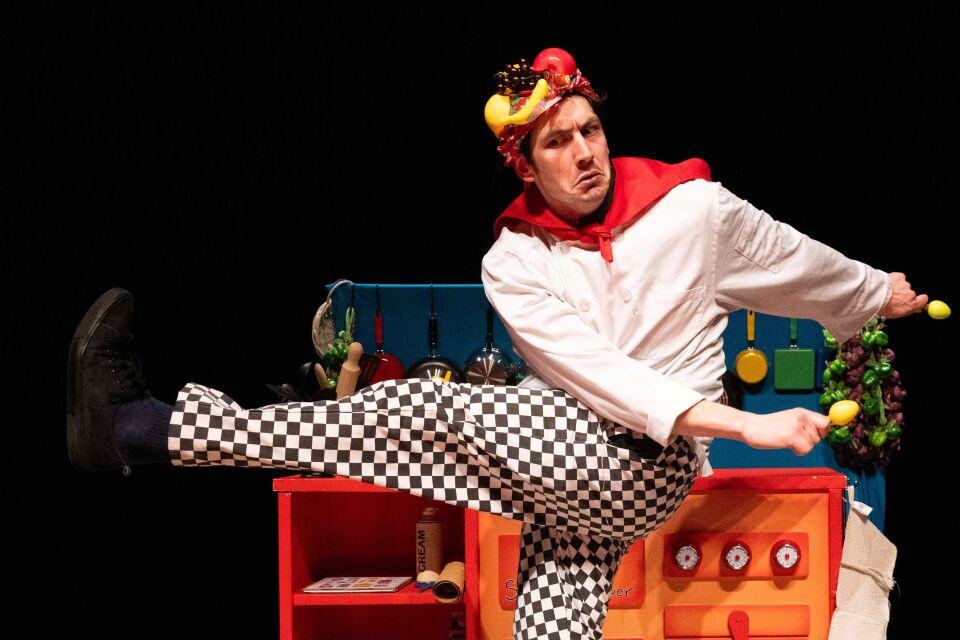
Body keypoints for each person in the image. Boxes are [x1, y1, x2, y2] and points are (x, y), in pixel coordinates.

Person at [66, 48, 927, 640]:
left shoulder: (695, 213)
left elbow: (794, 261)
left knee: (423, 409)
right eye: (558, 142)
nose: (583, 152)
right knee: (552, 619)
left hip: (647, 467)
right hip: (578, 462)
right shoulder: (513, 263)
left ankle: (144, 428)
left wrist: (872, 294)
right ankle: (146, 431)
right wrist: (743, 423)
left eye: (590, 130)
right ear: (526, 164)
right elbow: (595, 374)